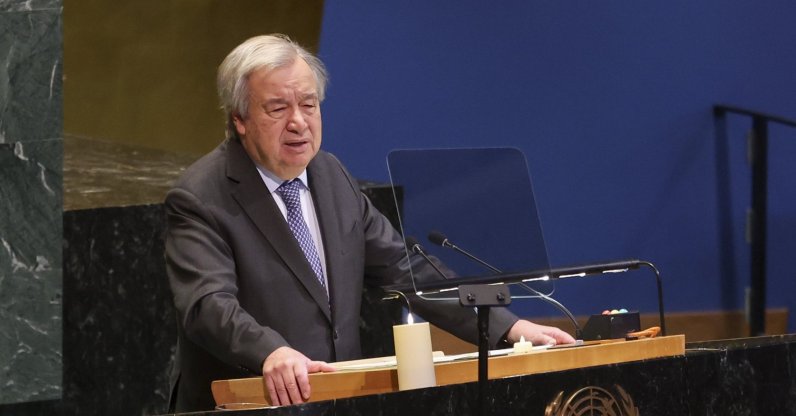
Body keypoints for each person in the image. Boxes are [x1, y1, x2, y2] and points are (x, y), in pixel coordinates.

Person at [165, 34, 575, 412]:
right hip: (247, 403)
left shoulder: (331, 176)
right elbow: (207, 304)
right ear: (239, 118)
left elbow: (405, 269)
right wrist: (270, 351)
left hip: (337, 401)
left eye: (308, 104)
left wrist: (509, 327)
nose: (298, 121)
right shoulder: (202, 195)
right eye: (277, 108)